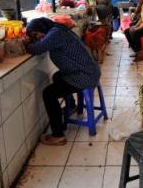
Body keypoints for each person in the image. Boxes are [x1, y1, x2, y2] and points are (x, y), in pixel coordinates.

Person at [25, 18, 101, 146]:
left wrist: (26, 43)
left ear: (42, 28)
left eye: (36, 34)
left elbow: (37, 49)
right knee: (57, 76)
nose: (37, 37)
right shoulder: (58, 29)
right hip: (88, 71)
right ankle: (71, 105)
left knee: (48, 93)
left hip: (84, 75)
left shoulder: (55, 34)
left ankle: (58, 135)